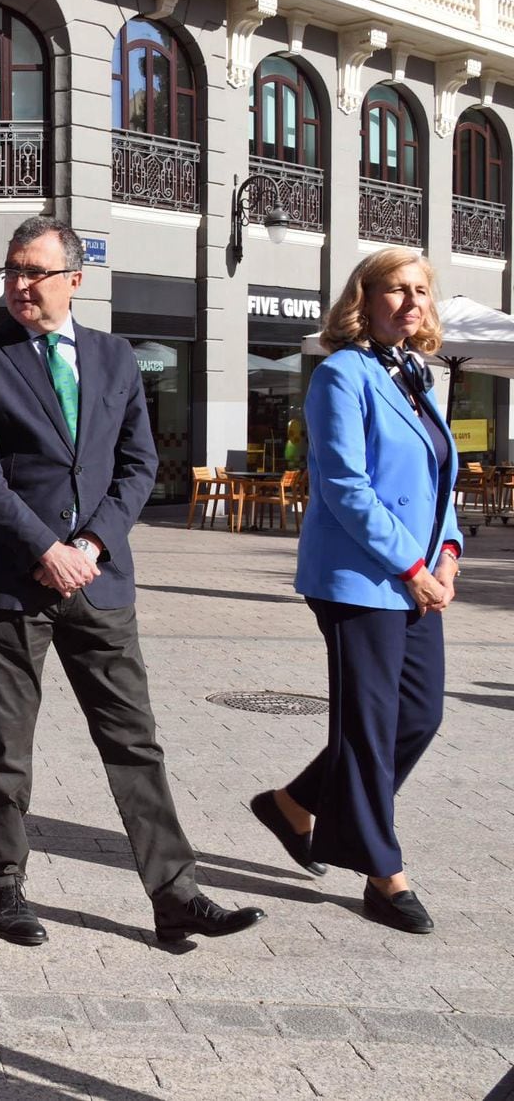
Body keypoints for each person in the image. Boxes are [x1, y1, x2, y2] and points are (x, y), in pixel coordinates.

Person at [0, 215, 265, 947]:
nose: (21, 284)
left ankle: (174, 894)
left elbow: (140, 466)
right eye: (13, 269)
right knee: (3, 747)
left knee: (135, 742)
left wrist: (88, 542)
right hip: (10, 583)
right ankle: (1, 886)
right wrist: (44, 548)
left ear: (74, 281)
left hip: (99, 580)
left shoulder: (116, 358)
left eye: (36, 271)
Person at [250, 249, 460, 935]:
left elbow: (436, 476)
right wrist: (412, 567)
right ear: (363, 298)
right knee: (369, 726)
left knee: (418, 715)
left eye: (421, 291)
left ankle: (292, 805)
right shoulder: (341, 375)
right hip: (361, 579)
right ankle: (382, 872)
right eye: (396, 289)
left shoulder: (415, 376)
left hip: (417, 577)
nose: (411, 301)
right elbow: (344, 486)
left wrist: (449, 550)